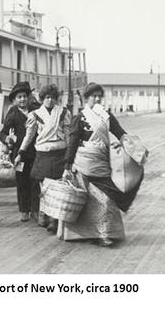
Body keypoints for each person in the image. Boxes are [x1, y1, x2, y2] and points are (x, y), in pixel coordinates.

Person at [59, 82, 143, 247]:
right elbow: (73, 143)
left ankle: (104, 233)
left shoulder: (107, 116)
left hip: (102, 164)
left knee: (106, 201)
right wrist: (67, 166)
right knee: (88, 202)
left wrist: (129, 146)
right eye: (93, 96)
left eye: (99, 96)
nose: (96, 99)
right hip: (83, 164)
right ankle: (87, 234)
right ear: (86, 98)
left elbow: (120, 133)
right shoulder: (80, 118)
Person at [15, 84, 72, 233]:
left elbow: (68, 134)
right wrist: (21, 152)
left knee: (57, 187)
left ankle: (54, 218)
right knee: (44, 187)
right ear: (41, 99)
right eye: (47, 97)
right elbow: (29, 136)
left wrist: (71, 154)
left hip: (59, 153)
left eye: (53, 98)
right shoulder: (34, 115)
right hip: (43, 154)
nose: (50, 100)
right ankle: (44, 213)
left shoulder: (63, 113)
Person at [0, 82, 40, 222]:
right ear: (14, 100)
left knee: (35, 181)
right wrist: (7, 138)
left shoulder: (36, 110)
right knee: (22, 182)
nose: (22, 99)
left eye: (24, 96)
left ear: (28, 97)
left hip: (35, 152)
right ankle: (24, 210)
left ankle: (35, 210)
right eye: (19, 97)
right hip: (19, 155)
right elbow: (3, 132)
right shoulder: (12, 113)